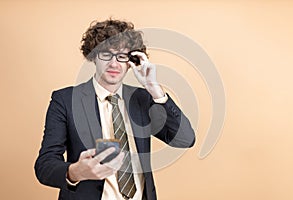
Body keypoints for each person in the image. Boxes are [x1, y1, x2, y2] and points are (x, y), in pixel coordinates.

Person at [34, 18, 195, 200]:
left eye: (122, 56)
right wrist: (75, 172)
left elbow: (185, 139)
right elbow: (44, 166)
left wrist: (155, 89)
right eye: (106, 54)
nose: (114, 64)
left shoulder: (142, 99)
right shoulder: (65, 100)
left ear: (131, 61)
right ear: (93, 56)